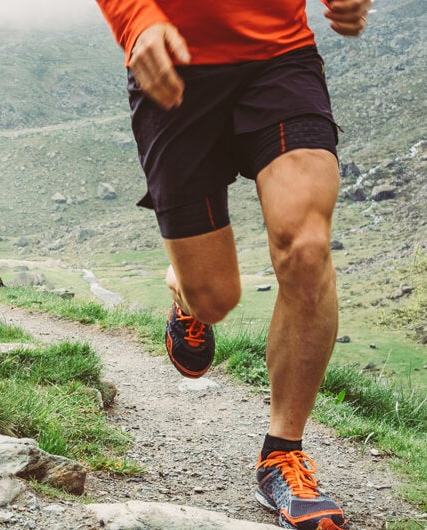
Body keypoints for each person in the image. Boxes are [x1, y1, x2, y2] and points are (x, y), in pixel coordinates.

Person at [95, 0, 370, 528]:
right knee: (216, 298)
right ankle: (186, 295)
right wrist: (135, 19)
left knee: (306, 249)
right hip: (173, 66)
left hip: (280, 56)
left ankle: (281, 455)